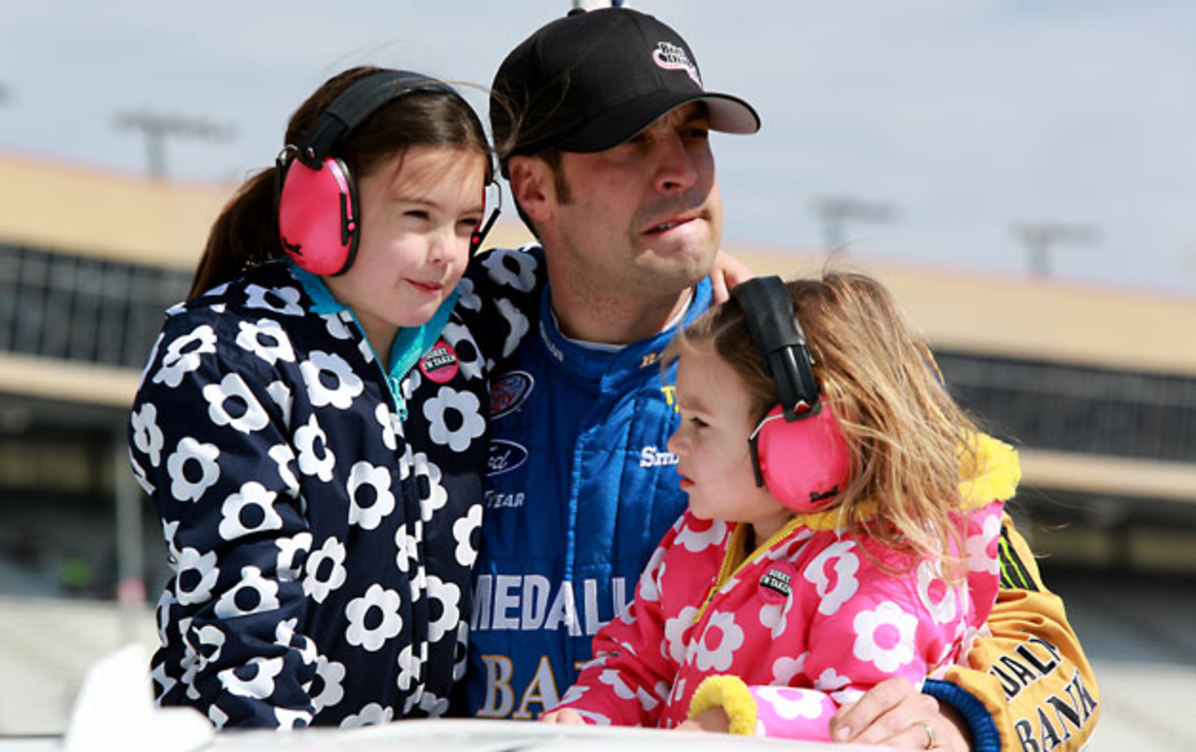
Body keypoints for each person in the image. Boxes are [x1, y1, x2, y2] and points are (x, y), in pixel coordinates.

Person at [466, 6, 1100, 751]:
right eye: (631, 142)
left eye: (693, 134)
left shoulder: (817, 375)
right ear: (535, 190)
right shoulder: (448, 370)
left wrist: (956, 719)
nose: (682, 170)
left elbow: (1054, 659)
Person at [128, 66, 502, 729]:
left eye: (467, 223)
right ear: (324, 208)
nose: (447, 253)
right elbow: (244, 622)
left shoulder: (477, 321)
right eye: (418, 215)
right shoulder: (226, 359)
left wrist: (704, 277)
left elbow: (596, 279)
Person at [539, 272, 1015, 740]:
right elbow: (640, 666)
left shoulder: (877, 574)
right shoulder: (703, 534)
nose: (675, 441)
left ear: (809, 437)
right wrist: (588, 717)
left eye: (700, 423)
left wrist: (742, 722)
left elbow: (867, 722)